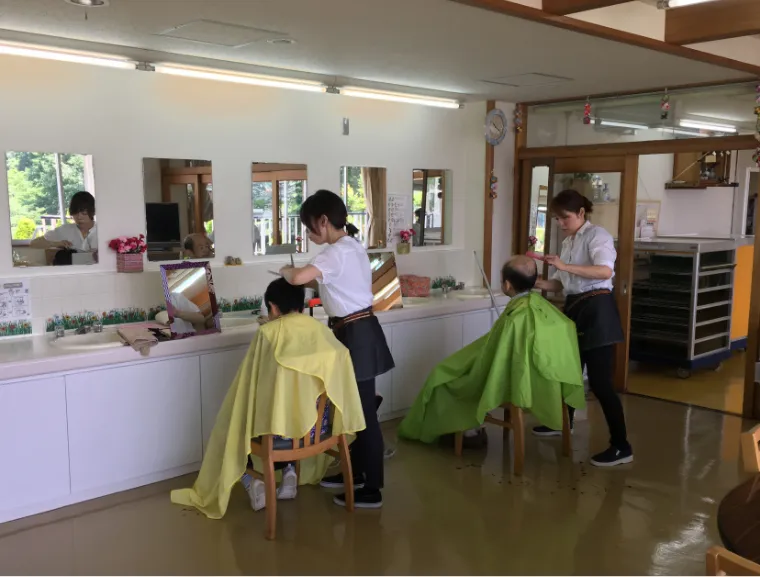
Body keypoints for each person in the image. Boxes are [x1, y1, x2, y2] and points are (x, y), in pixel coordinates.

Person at [170, 278, 365, 518]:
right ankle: (290, 472)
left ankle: (254, 484)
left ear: (272, 307)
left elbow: (248, 385)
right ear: (301, 304)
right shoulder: (322, 331)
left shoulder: (268, 334)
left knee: (232, 426)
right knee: (288, 411)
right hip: (318, 429)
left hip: (280, 433)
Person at [279, 189, 394, 509]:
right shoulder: (350, 246)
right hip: (355, 331)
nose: (308, 233)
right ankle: (356, 472)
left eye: (309, 227)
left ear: (323, 221)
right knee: (352, 410)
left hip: (357, 335)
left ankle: (371, 487)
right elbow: (332, 283)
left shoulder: (334, 252)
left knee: (364, 413)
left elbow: (298, 277)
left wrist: (285, 271)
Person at [398, 256, 585, 444]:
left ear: (507, 285)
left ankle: (452, 430)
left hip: (507, 379)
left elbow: (492, 356)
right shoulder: (549, 313)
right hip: (542, 380)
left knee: (441, 376)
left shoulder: (516, 318)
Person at [533, 189, 633, 467]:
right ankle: (563, 424)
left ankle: (622, 446)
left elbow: (604, 271)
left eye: (564, 217)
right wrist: (532, 281)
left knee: (601, 383)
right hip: (575, 308)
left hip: (598, 311)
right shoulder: (569, 242)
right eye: (556, 219)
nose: (560, 223)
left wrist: (564, 266)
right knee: (568, 372)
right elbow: (560, 283)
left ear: (580, 213)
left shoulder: (597, 236)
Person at [30, 191, 97, 264]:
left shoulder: (101, 230)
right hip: (72, 270)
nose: (79, 216)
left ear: (92, 211)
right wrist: (56, 244)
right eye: (75, 212)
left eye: (83, 212)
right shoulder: (65, 230)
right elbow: (34, 243)